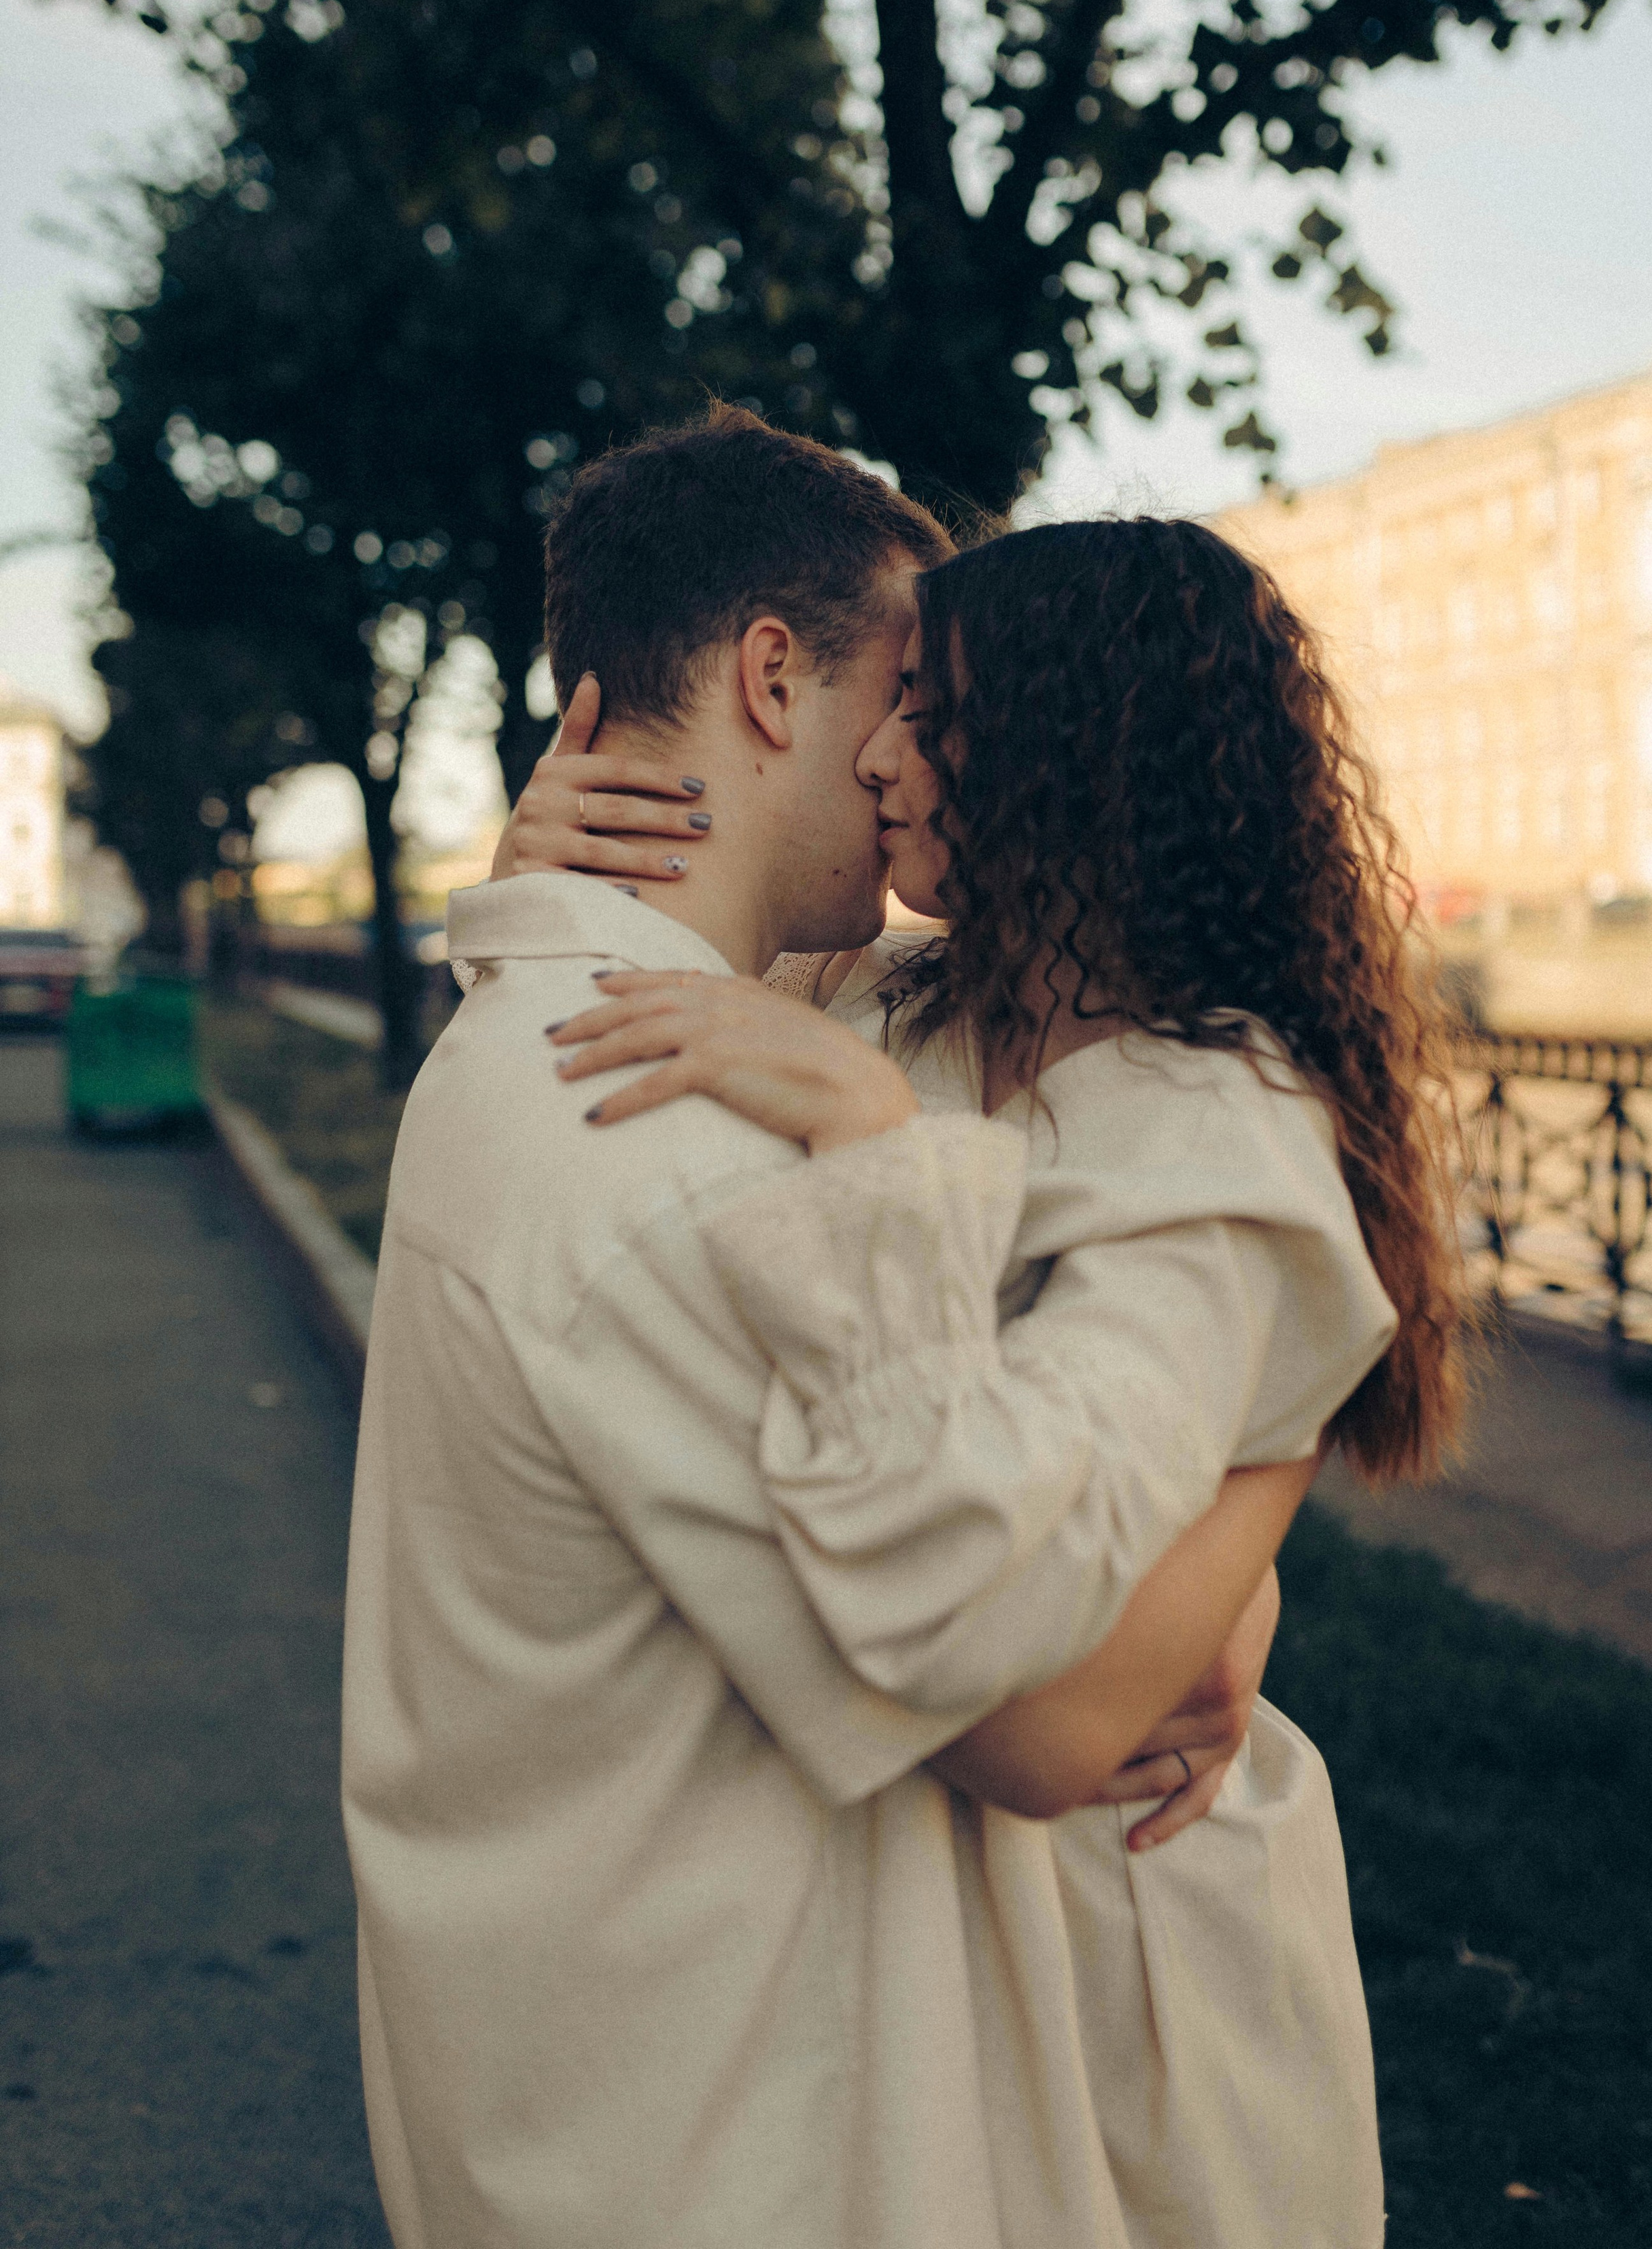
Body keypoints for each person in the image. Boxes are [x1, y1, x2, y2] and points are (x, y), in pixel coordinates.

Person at [343, 410, 1326, 2249]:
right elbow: (1033, 1710)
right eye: (892, 691)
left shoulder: (692, 1050)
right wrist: (1260, 1479)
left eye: (933, 718)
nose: (890, 760)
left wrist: (1250, 1475)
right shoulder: (705, 1130)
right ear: (773, 679)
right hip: (741, 2100)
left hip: (782, 2048)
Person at [506, 508, 1468, 2249]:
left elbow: (1048, 1732)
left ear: (1076, 753)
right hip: (892, 1918)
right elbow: (610, 1057)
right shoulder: (891, 1004)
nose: (876, 753)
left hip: (1131, 1940)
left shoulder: (1223, 1131)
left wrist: (1224, 1555)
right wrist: (545, 885)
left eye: (930, 717)